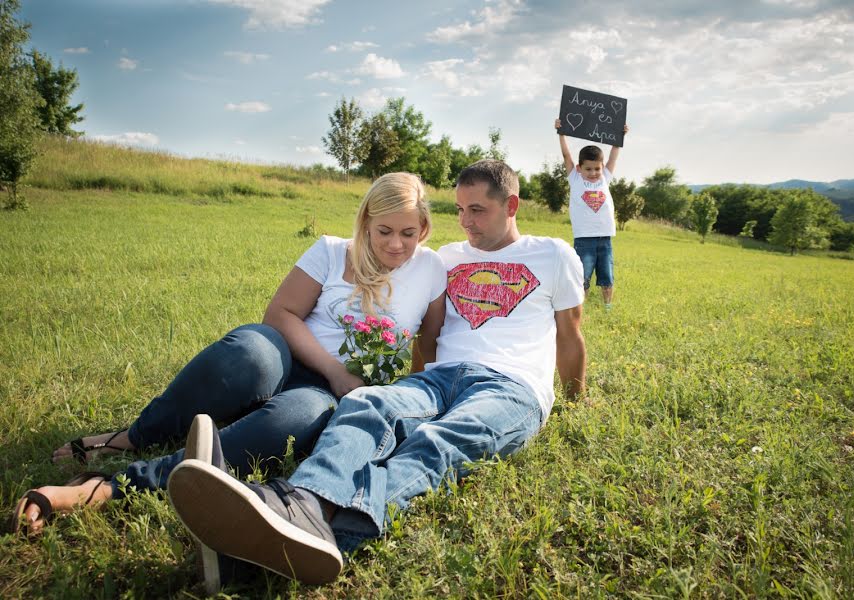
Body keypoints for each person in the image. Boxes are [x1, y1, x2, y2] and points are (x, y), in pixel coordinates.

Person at [165, 159, 587, 585]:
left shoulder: (553, 254)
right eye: (459, 210)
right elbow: (428, 337)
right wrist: (413, 384)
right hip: (441, 377)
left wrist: (574, 399)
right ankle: (300, 504)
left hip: (512, 385)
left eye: (477, 210)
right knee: (366, 403)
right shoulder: (446, 258)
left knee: (440, 440)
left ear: (511, 204)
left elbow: (569, 337)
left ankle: (313, 535)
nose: (465, 222)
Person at [10, 172, 447, 537]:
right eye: (384, 231)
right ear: (366, 222)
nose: (394, 245)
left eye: (408, 233)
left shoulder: (430, 271)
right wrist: (333, 369)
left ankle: (114, 486)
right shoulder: (333, 251)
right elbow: (281, 313)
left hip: (327, 393)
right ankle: (134, 435)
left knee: (289, 423)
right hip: (288, 355)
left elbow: (425, 350)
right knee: (249, 354)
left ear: (423, 229)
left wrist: (395, 404)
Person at [555, 118, 629, 309]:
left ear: (602, 167)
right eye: (588, 169)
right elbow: (566, 155)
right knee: (583, 275)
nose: (594, 172)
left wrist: (618, 138)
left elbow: (613, 157)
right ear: (579, 168)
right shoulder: (575, 179)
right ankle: (581, 307)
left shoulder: (605, 177)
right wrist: (561, 133)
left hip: (605, 238)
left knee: (607, 275)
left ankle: (607, 307)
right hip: (584, 238)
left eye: (597, 168)